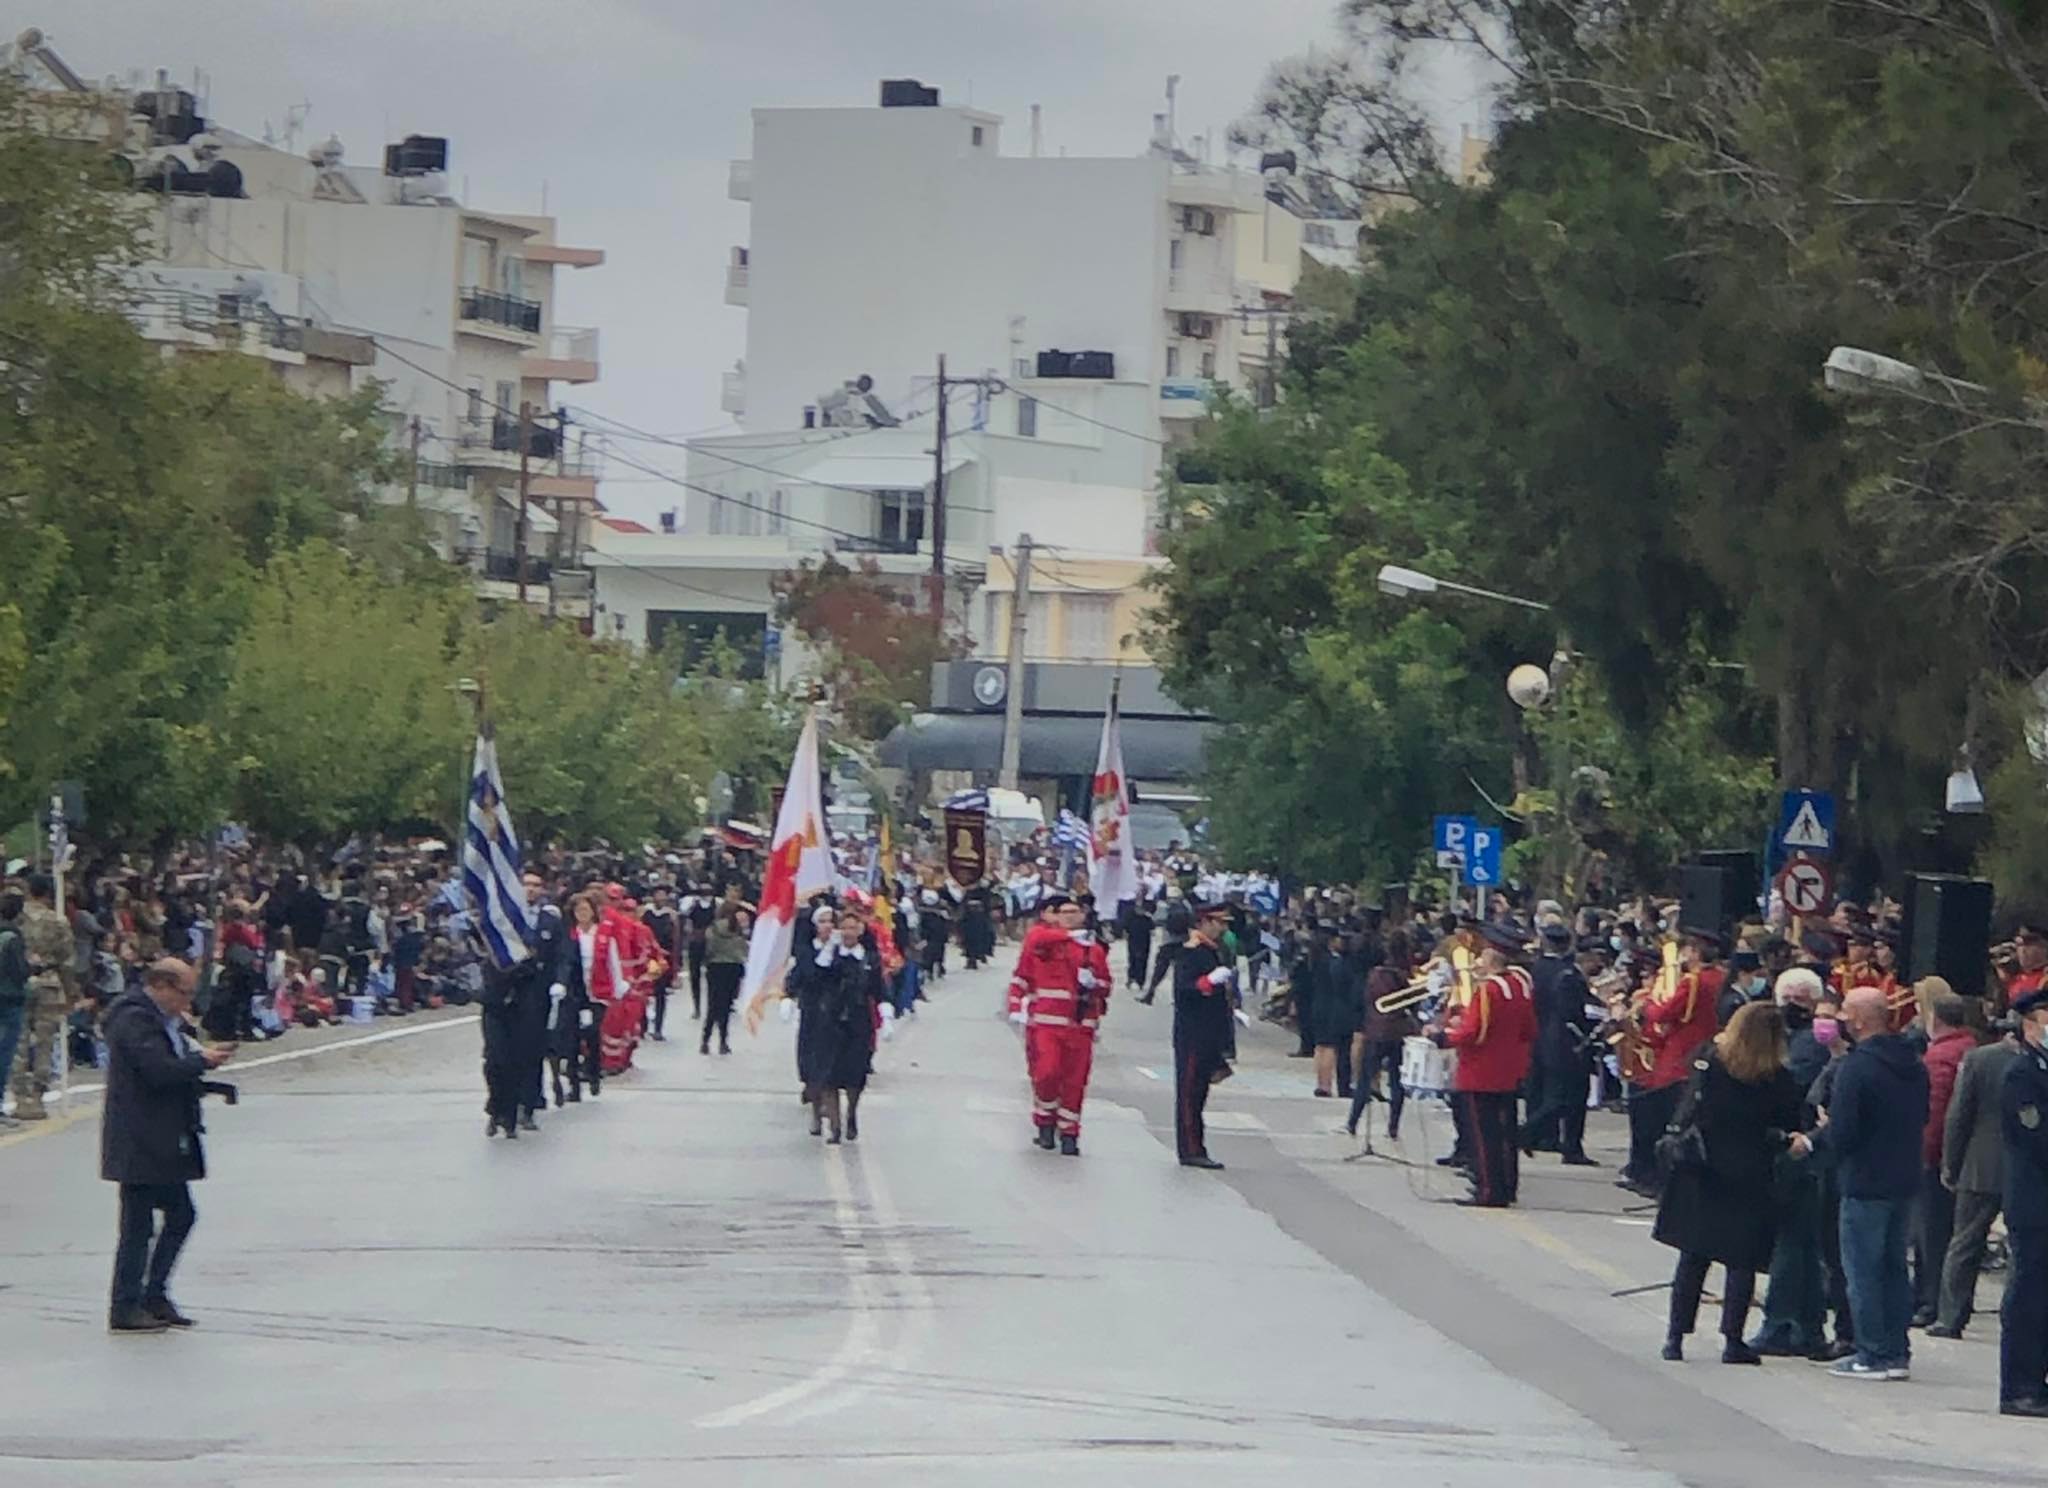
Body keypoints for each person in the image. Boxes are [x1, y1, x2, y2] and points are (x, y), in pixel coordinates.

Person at [1791, 985, 1929, 1380]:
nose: (1842, 1021)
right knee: (1893, 1269)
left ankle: (1870, 1352)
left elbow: (1845, 1132)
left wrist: (1818, 1137)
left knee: (1863, 1271)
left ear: (1863, 1019)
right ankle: (1896, 1350)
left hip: (1865, 1179)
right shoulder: (1912, 1064)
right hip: (1903, 1176)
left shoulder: (1857, 1067)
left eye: (1848, 1014)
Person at [1655, 1002, 1804, 1363]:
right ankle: (1732, 1340)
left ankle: (1675, 1337)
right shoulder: (1776, 1077)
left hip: (1703, 1168)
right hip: (1750, 1172)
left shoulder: (1711, 1062)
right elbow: (1786, 1122)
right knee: (1741, 1260)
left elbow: (1692, 1100)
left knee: (1693, 1256)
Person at [101, 958, 235, 1332]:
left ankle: (154, 1293)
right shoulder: (133, 1019)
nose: (186, 1002)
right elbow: (157, 1070)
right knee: (137, 1225)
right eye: (183, 993)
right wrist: (200, 1061)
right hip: (141, 1138)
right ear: (160, 985)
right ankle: (126, 1303)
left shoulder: (165, 1022)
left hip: (164, 1134)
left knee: (180, 1214)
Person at [1932, 1015, 2025, 1338]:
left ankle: (1951, 1316)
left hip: (1981, 1163)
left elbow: (1959, 1115)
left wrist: (1951, 1163)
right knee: (2024, 1246)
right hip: (2029, 1168)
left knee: (1965, 1242)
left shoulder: (1980, 1060)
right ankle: (2018, 1316)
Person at [1435, 922, 1538, 1208]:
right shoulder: (1521, 983)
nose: (1477, 960)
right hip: (1510, 1068)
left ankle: (1488, 1189)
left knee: (1484, 1134)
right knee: (1506, 1131)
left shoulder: (1488, 990)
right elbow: (1529, 1029)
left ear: (1492, 957)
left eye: (1481, 955)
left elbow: (1474, 1033)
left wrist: (1445, 1035)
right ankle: (1507, 1185)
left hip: (1480, 1070)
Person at [1006, 892, 1111, 1155]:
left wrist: (1093, 984)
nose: (1071, 917)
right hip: (1046, 1024)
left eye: (1075, 913)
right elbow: (1023, 972)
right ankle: (1045, 1120)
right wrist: (1016, 1007)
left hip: (1080, 1026)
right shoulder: (1045, 942)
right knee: (1046, 1073)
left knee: (1075, 1082)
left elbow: (1106, 986)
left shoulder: (1093, 950)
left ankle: (1069, 1133)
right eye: (1065, 913)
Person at [1998, 987, 2048, 1416]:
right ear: (2030, 1023)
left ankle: (2039, 1379)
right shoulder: (2023, 1074)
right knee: (2029, 1296)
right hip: (2035, 1203)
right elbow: (2034, 1136)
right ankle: (2020, 1386)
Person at [1913, 986, 1976, 1327]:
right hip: (1961, 1158)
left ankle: (1930, 1300)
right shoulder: (1969, 1048)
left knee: (1932, 1234)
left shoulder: (1939, 1057)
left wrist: (1925, 1153)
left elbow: (1936, 1111)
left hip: (1936, 1158)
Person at [805, 908, 885, 1143]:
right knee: (830, 1075)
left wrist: (886, 1012)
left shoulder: (869, 958)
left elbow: (878, 988)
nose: (849, 932)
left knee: (855, 1075)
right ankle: (835, 1126)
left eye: (853, 927)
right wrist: (829, 949)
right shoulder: (831, 956)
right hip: (831, 1021)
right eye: (845, 927)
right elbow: (816, 977)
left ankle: (851, 1114)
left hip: (859, 1022)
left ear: (860, 931)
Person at [1524, 921, 1599, 1166]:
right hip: (1568, 1042)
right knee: (1571, 1097)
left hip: (1541, 1038)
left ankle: (1544, 1137)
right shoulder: (1568, 974)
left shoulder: (1536, 969)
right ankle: (1533, 1135)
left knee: (1545, 1092)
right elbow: (1577, 1011)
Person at [1172, 898, 1236, 1169]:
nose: (1222, 928)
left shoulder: (1213, 951)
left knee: (1200, 1093)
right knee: (1189, 1093)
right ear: (1204, 922)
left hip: (1209, 1033)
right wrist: (1208, 982)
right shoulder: (1192, 951)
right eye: (1218, 922)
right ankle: (1190, 1148)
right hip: (1193, 1034)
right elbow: (1184, 990)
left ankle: (1196, 1145)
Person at [12, 872, 76, 1122]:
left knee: (18, 1038)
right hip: (49, 982)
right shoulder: (57, 921)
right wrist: (70, 992)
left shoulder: (17, 917)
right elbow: (68, 961)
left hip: (20, 982)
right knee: (45, 1041)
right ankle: (39, 1095)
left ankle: (20, 1096)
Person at [701, 903, 748, 1055]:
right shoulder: (738, 929)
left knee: (712, 1005)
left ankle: (705, 1040)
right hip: (733, 968)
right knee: (726, 1007)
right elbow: (744, 950)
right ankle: (723, 1041)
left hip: (715, 967)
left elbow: (708, 948)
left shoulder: (713, 928)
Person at [642, 884, 682, 1042]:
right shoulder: (645, 913)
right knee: (644, 992)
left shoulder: (671, 916)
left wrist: (675, 964)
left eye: (663, 895)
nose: (660, 898)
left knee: (660, 993)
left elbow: (676, 940)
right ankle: (643, 1024)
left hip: (662, 959)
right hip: (647, 957)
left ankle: (658, 1027)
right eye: (658, 894)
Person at [1122, 895, 1155, 992]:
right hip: (1134, 938)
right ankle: (1132, 978)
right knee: (1133, 958)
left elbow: (1152, 927)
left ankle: (1140, 981)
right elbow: (1125, 925)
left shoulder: (1147, 913)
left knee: (1142, 959)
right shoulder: (1130, 912)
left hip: (1144, 939)